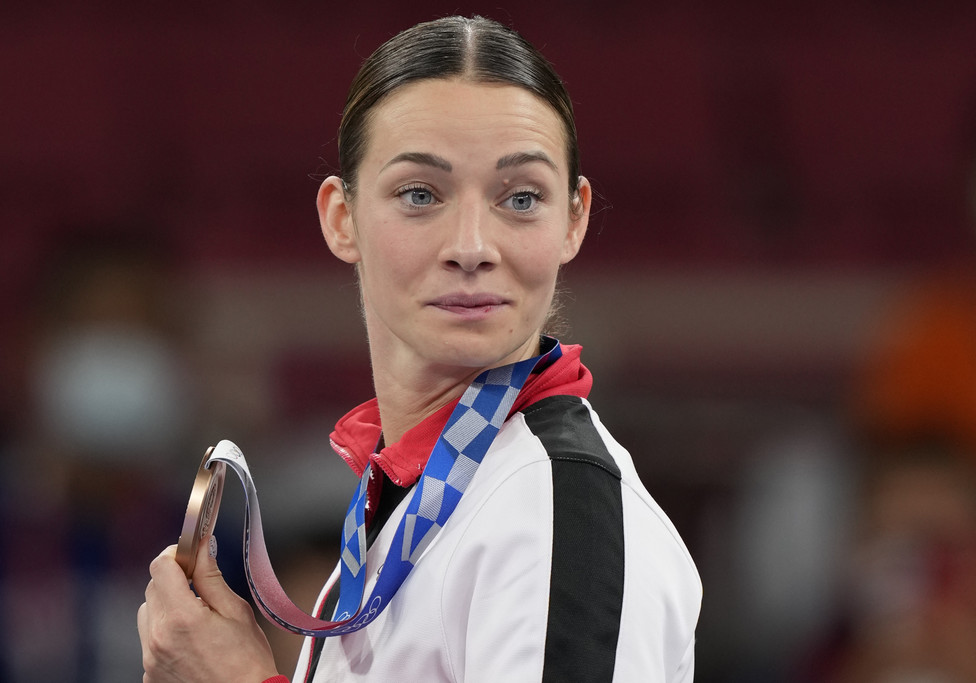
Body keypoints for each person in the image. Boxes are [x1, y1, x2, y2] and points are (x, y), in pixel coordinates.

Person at [138, 15, 701, 683]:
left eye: (522, 198)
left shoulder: (558, 510)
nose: (471, 246)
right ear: (342, 219)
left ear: (573, 219)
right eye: (420, 194)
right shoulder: (423, 497)